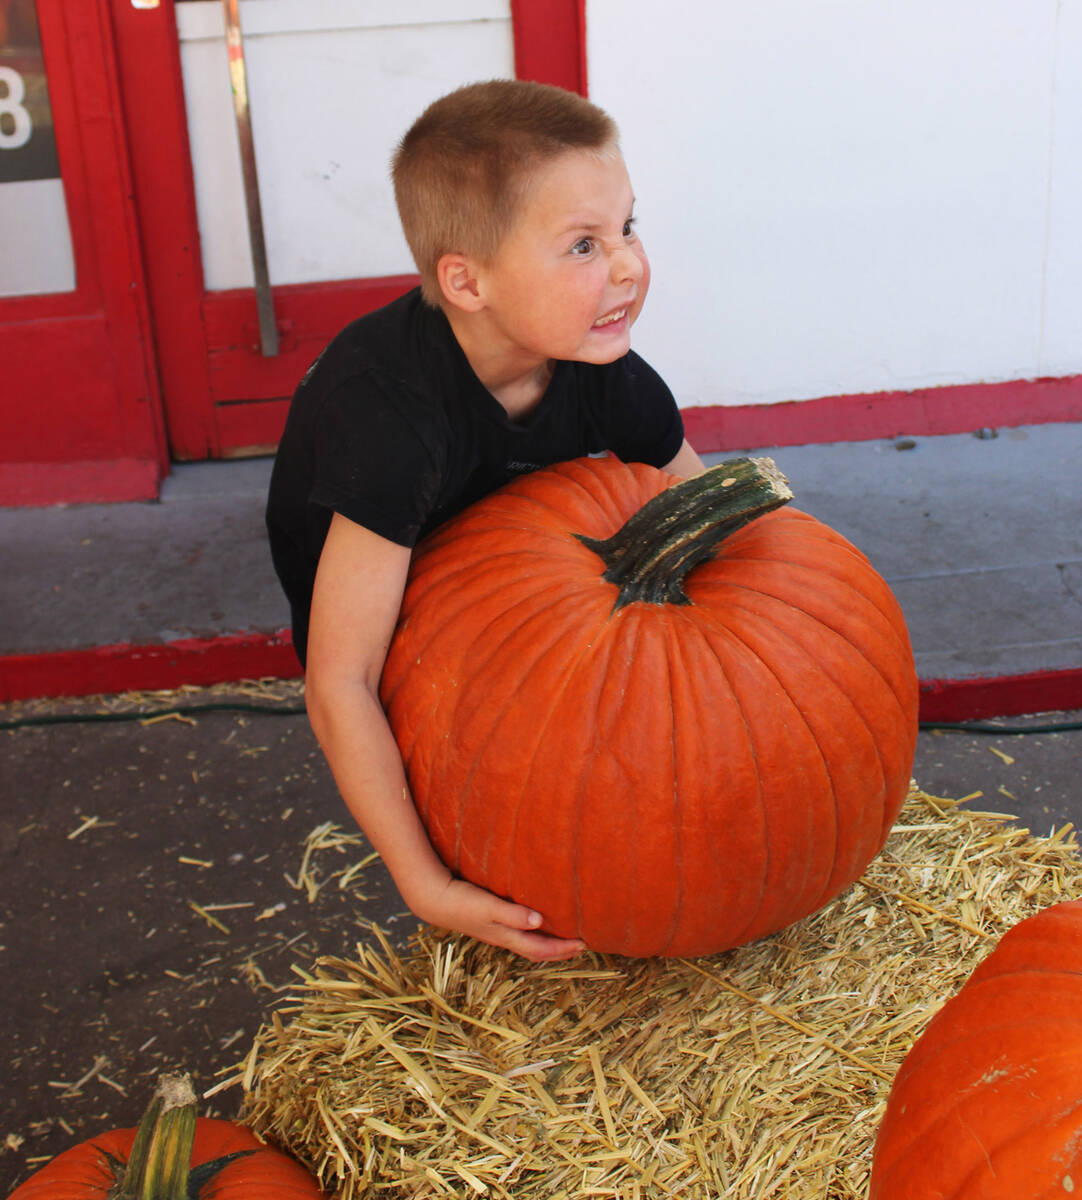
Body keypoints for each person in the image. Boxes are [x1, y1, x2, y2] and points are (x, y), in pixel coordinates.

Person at [266, 79, 704, 962]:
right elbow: (338, 681)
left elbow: (706, 506)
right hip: (397, 606)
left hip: (510, 552)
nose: (626, 265)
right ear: (468, 281)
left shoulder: (602, 366)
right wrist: (425, 884)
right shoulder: (391, 423)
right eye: (583, 244)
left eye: (628, 226)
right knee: (467, 757)